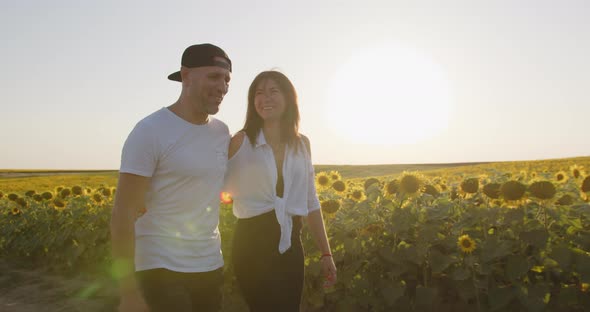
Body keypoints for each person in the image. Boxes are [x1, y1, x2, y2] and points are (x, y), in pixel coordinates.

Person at [110, 43, 232, 312]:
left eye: (226, 79)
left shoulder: (222, 133)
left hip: (210, 265)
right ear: (186, 76)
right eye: (214, 76)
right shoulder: (150, 131)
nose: (223, 86)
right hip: (159, 268)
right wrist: (128, 292)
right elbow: (122, 213)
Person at [224, 70, 337, 311]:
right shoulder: (240, 142)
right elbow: (214, 186)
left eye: (274, 91)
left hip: (291, 243)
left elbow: (311, 202)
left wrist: (326, 254)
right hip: (251, 242)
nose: (266, 98)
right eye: (259, 93)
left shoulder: (302, 144)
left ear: (288, 98)